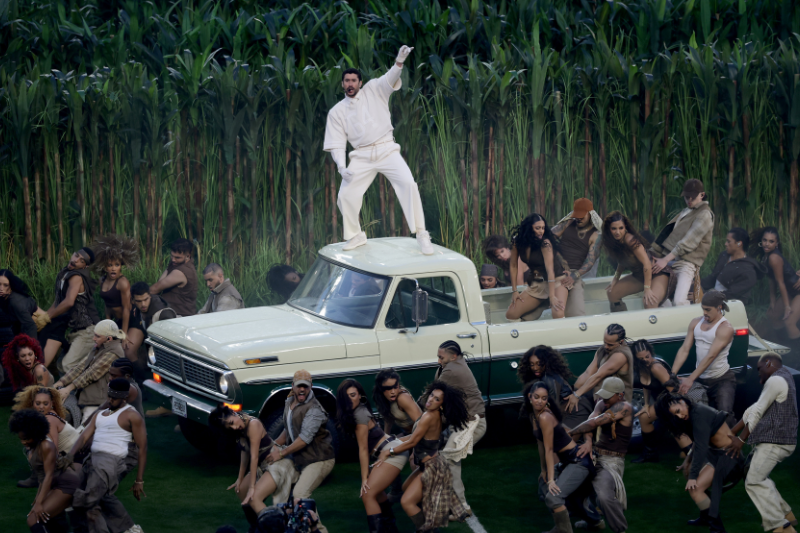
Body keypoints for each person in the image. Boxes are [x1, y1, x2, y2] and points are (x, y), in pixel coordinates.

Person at [323, 46, 433, 255]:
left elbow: (390, 78)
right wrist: (341, 167)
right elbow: (336, 143)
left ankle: (421, 233)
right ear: (342, 84)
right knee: (345, 195)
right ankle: (356, 235)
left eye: (354, 80)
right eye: (346, 81)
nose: (350, 84)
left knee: (408, 184)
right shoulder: (336, 111)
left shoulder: (374, 89)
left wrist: (399, 62)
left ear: (360, 82)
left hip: (387, 149)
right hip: (361, 155)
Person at [374, 381, 470, 532]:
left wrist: (389, 451)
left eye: (437, 399)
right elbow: (414, 436)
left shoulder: (428, 417)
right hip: (429, 465)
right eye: (431, 395)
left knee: (407, 502)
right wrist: (392, 441)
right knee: (406, 488)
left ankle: (428, 529)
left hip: (432, 468)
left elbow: (412, 442)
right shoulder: (431, 414)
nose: (431, 399)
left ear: (441, 404)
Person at [726, 353, 798, 533]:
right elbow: (753, 409)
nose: (758, 373)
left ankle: (779, 525)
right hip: (779, 440)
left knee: (754, 481)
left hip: (775, 441)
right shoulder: (784, 377)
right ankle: (787, 514)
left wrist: (740, 440)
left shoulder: (775, 380)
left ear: (768, 363)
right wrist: (732, 432)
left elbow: (757, 412)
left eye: (759, 369)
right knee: (754, 474)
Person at [68, 378, 147, 533]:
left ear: (124, 397)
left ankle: (128, 529)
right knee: (82, 492)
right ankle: (127, 529)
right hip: (94, 461)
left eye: (114, 398)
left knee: (91, 499)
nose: (110, 400)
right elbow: (83, 437)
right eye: (109, 396)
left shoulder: (132, 416)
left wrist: (139, 480)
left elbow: (142, 447)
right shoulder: (101, 414)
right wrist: (70, 455)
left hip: (113, 462)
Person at [656, 392, 743, 532]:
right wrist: (687, 460)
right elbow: (698, 440)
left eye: (678, 411)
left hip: (730, 457)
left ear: (682, 401)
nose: (680, 416)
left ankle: (717, 530)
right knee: (688, 471)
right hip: (715, 454)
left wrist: (693, 477)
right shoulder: (690, 414)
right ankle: (705, 516)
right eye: (675, 415)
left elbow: (701, 448)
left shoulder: (699, 413)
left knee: (695, 488)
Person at [209, 404, 298, 533]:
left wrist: (252, 488)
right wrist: (240, 479)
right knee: (241, 491)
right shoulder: (240, 425)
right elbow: (244, 452)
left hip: (277, 463)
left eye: (232, 423)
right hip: (263, 466)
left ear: (234, 414)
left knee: (254, 498)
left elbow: (254, 457)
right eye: (229, 427)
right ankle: (256, 527)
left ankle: (275, 529)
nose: (234, 427)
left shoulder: (253, 424)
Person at [267, 370, 335, 531]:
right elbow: (288, 429)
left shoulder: (314, 409)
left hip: (320, 460)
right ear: (293, 386)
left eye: (305, 386)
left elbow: (304, 439)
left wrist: (281, 453)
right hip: (302, 460)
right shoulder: (290, 402)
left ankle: (319, 530)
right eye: (299, 386)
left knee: (300, 495)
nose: (302, 389)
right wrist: (273, 445)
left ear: (311, 386)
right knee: (286, 494)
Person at [336, 379, 407, 533]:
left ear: (360, 395)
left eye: (353, 395)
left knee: (367, 494)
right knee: (377, 493)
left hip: (391, 451)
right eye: (347, 397)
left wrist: (364, 478)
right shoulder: (354, 412)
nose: (350, 400)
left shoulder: (360, 414)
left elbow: (363, 449)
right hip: (385, 450)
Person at [525, 381, 592, 533]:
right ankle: (561, 526)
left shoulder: (545, 417)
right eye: (536, 397)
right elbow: (541, 445)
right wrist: (544, 471)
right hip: (566, 462)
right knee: (544, 488)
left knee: (553, 496)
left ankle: (565, 530)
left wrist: (551, 480)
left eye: (544, 398)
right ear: (530, 397)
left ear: (547, 399)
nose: (540, 401)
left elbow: (549, 450)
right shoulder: (534, 416)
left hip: (577, 461)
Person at [568, 377, 633, 533]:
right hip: (595, 454)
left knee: (604, 497)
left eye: (608, 396)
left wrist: (569, 434)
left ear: (620, 395)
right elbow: (591, 420)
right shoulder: (602, 403)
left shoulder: (625, 407)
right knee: (571, 487)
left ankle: (620, 530)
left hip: (611, 461)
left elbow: (593, 423)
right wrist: (588, 442)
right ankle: (593, 521)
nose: (604, 399)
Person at [434, 340, 487, 515]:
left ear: (453, 356)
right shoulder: (454, 365)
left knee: (449, 459)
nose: (439, 361)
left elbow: (434, 395)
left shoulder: (451, 370)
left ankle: (461, 507)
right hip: (463, 423)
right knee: (449, 459)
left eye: (441, 357)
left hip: (471, 424)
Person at [630, 339, 701, 464]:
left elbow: (674, 392)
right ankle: (650, 454)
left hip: (675, 399)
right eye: (641, 358)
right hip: (664, 400)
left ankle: (696, 459)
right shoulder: (641, 367)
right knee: (644, 417)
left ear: (651, 353)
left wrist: (672, 412)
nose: (646, 360)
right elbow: (646, 385)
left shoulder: (656, 367)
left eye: (647, 356)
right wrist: (646, 404)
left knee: (673, 426)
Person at [9, 409, 80, 533]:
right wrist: (38, 499)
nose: (23, 442)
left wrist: (39, 502)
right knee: (46, 519)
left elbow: (48, 475)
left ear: (35, 433)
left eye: (26, 439)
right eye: (21, 439)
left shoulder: (46, 446)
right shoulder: (32, 447)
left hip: (66, 484)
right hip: (53, 484)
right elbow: (41, 476)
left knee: (34, 519)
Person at [671, 291, 736, 424]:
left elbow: (711, 355)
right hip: (701, 379)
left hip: (721, 379)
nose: (704, 313)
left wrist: (690, 379)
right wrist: (672, 375)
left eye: (708, 310)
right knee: (701, 416)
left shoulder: (725, 328)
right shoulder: (695, 322)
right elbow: (684, 349)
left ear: (719, 307)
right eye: (703, 309)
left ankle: (731, 436)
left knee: (725, 414)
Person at [650, 179, 714, 306]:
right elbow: (667, 233)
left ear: (701, 195)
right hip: (671, 260)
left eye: (693, 197)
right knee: (657, 299)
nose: (689, 200)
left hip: (686, 264)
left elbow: (688, 242)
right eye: (686, 197)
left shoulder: (705, 214)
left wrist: (665, 260)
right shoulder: (687, 211)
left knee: (679, 301)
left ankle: (692, 316)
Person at [36, 247, 101, 371]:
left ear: (85, 266)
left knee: (68, 365)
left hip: (88, 331)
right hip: (77, 330)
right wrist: (44, 317)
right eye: (76, 255)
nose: (76, 260)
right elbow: (58, 302)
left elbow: (69, 302)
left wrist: (47, 317)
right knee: (61, 366)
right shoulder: (65, 273)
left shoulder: (77, 277)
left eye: (82, 261)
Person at [54, 319, 125, 418]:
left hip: (99, 402)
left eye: (97, 336)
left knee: (85, 426)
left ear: (109, 339)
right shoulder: (99, 346)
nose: (93, 338)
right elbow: (80, 367)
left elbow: (91, 374)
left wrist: (68, 389)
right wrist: (60, 383)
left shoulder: (114, 353)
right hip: (87, 397)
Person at [12, 386, 81, 489]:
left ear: (52, 403)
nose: (41, 407)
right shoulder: (43, 416)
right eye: (38, 403)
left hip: (76, 457)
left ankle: (38, 478)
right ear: (32, 403)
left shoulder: (49, 420)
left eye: (45, 404)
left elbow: (54, 450)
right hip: (70, 453)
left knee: (33, 450)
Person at [506, 213, 570, 321]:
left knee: (558, 313)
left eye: (543, 228)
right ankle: (540, 305)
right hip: (538, 283)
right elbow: (513, 266)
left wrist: (552, 296)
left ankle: (547, 302)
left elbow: (550, 271)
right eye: (537, 228)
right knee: (511, 314)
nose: (541, 231)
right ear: (529, 228)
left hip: (556, 280)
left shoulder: (545, 243)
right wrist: (514, 291)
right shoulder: (517, 242)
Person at [602, 211, 669, 311]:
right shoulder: (614, 242)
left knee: (649, 302)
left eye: (621, 228)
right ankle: (622, 320)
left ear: (625, 227)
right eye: (614, 228)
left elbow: (647, 264)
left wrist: (647, 288)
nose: (617, 232)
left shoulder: (631, 241)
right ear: (609, 229)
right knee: (612, 293)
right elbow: (622, 260)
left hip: (656, 273)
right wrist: (615, 278)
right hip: (640, 276)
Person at [516, 345, 591, 431]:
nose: (535, 368)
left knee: (559, 437)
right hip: (563, 412)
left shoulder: (549, 379)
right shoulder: (539, 377)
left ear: (546, 362)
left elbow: (553, 409)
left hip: (575, 412)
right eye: (531, 364)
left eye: (539, 364)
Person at [566, 324, 634, 416]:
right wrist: (572, 391)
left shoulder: (621, 355)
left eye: (610, 344)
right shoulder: (603, 350)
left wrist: (577, 394)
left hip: (616, 405)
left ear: (621, 342)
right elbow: (588, 373)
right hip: (600, 400)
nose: (606, 346)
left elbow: (599, 375)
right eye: (605, 342)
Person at [552, 198, 604, 317]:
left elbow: (590, 261)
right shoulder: (568, 223)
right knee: (559, 309)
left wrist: (574, 276)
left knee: (577, 313)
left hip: (575, 273)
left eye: (582, 216)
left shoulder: (596, 235)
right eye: (577, 216)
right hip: (557, 270)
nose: (579, 219)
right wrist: (560, 258)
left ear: (590, 214)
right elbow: (547, 238)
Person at [751, 227, 800, 340]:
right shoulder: (766, 257)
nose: (767, 244)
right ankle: (784, 344)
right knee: (772, 315)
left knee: (789, 322)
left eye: (771, 241)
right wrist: (772, 300)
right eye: (765, 240)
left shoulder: (774, 257)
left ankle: (796, 350)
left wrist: (787, 307)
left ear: (776, 243)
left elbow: (780, 282)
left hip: (797, 291)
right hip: (790, 291)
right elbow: (771, 279)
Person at [92, 234, 139, 343]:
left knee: (126, 348)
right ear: (105, 267)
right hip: (116, 321)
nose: (113, 268)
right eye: (110, 265)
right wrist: (108, 325)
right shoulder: (102, 280)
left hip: (130, 320)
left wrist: (124, 334)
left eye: (117, 265)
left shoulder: (122, 283)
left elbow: (126, 309)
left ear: (121, 266)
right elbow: (107, 304)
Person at [701, 227, 766, 305]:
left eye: (729, 241)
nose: (725, 244)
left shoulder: (748, 270)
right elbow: (713, 277)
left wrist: (706, 296)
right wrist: (696, 286)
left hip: (729, 304)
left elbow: (732, 294)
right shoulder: (724, 256)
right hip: (712, 296)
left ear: (739, 243)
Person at [125, 281, 176, 367]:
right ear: (133, 300)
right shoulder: (137, 310)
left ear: (150, 296)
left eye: (146, 299)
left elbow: (171, 341)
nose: (143, 304)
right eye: (139, 301)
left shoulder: (162, 313)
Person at [149, 238, 198, 317]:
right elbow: (160, 282)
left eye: (177, 257)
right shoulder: (177, 264)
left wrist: (137, 299)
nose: (173, 260)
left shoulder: (182, 271)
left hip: (179, 316)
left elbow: (155, 289)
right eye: (172, 256)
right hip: (171, 313)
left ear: (187, 256)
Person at [372, 369, 421, 437]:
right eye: (389, 388)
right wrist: (386, 438)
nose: (393, 392)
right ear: (381, 388)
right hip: (408, 434)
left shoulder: (402, 398)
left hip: (419, 435)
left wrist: (409, 441)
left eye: (395, 387)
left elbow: (421, 424)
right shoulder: (382, 398)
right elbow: (388, 419)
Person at [0, 268, 40, 340]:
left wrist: (31, 346)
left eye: (5, 285)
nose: (1, 288)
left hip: (42, 329)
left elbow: (30, 326)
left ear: (11, 286)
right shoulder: (5, 297)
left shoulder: (16, 301)